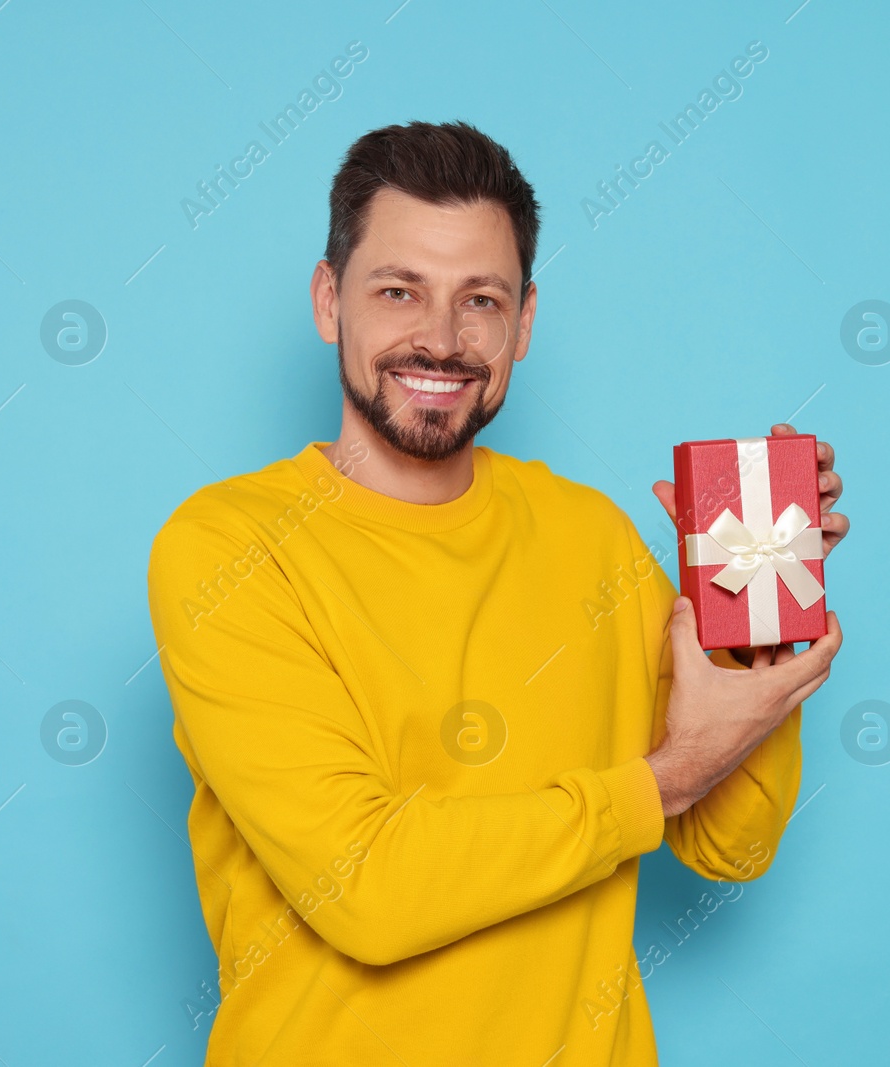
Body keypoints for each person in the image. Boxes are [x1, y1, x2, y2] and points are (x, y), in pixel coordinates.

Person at [145, 119, 848, 1065]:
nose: (440, 339)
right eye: (399, 291)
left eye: (480, 299)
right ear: (328, 300)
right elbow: (369, 888)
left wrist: (755, 620)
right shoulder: (227, 549)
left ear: (522, 325)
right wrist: (663, 777)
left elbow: (732, 847)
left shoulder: (589, 533)